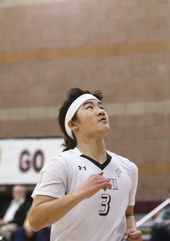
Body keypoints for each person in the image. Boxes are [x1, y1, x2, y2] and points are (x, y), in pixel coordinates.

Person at [27, 88, 141, 241]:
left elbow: (128, 214)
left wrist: (131, 230)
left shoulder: (129, 168)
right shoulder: (61, 164)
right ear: (73, 124)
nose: (100, 111)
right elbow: (35, 221)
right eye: (90, 107)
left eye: (101, 107)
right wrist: (80, 194)